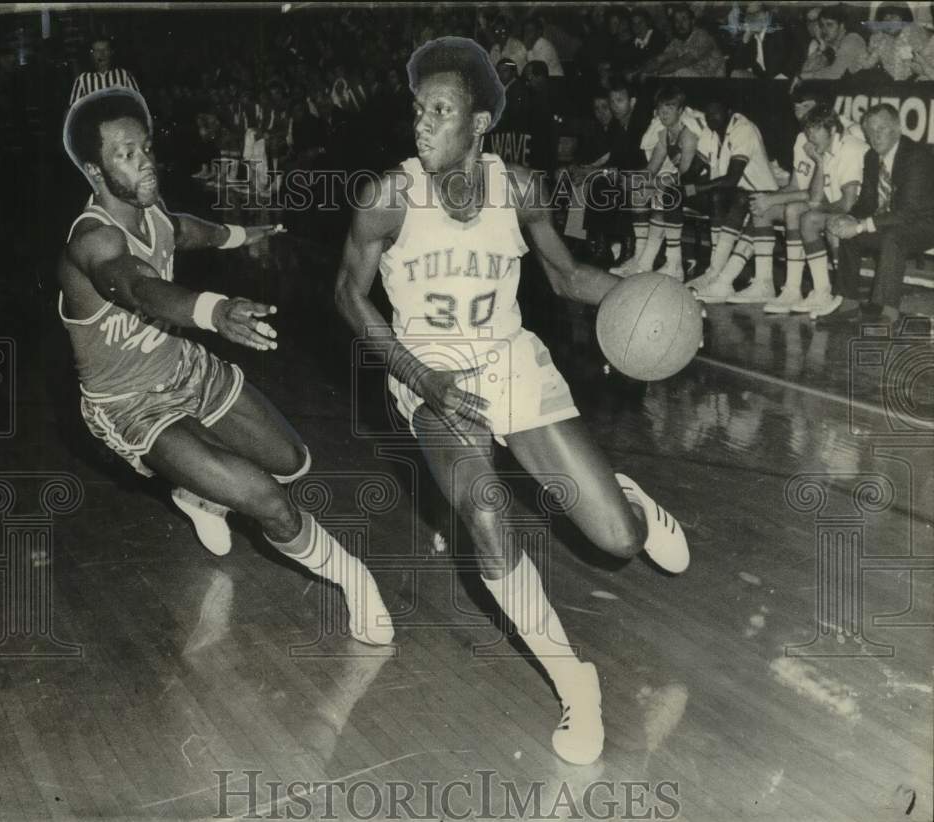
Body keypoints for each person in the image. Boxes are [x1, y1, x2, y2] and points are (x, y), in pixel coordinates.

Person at [334, 36, 689, 767]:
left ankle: (627, 502)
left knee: (618, 541)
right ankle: (574, 682)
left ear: (480, 124)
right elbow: (346, 293)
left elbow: (564, 278)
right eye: (418, 110)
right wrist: (418, 376)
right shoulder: (389, 197)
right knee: (486, 516)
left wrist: (652, 302)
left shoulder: (520, 188)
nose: (422, 124)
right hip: (430, 375)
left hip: (511, 360)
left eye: (441, 111)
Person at [59, 88, 394, 646]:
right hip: (131, 406)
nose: (143, 160)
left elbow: (188, 228)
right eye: (124, 153)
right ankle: (356, 581)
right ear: (94, 170)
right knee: (266, 499)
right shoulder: (92, 241)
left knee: (292, 461)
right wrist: (215, 310)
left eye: (144, 147)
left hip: (186, 367)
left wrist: (243, 234)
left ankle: (196, 493)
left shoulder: (153, 212)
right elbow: (138, 288)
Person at [748, 89, 865, 315]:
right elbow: (803, 189)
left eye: (806, 106)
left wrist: (774, 198)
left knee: (802, 214)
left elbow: (842, 201)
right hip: (831, 201)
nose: (800, 113)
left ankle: (833, 292)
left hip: (856, 207)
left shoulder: (849, 139)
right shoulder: (806, 138)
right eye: (796, 107)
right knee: (770, 208)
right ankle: (782, 286)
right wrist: (770, 198)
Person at [824, 103, 934, 326]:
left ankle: (888, 311)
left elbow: (907, 213)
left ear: (897, 128)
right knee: (849, 233)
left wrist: (861, 225)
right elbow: (866, 201)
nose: (875, 135)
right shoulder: (872, 157)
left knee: (893, 237)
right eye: (870, 130)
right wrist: (849, 219)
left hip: (925, 223)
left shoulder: (917, 156)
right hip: (893, 221)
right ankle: (848, 302)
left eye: (881, 128)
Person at [614, 85, 714, 279]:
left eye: (670, 107)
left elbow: (686, 176)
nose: (664, 112)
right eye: (661, 107)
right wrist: (631, 179)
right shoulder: (663, 134)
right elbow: (651, 169)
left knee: (664, 192)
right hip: (683, 186)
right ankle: (640, 256)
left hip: (701, 187)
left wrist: (659, 182)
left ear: (680, 111)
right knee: (638, 191)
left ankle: (668, 262)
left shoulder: (688, 135)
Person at [687, 101, 779, 303]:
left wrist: (692, 189)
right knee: (716, 196)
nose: (712, 118)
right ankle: (714, 271)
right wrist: (678, 186)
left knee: (737, 196)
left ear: (728, 111)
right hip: (736, 193)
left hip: (761, 193)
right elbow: (694, 169)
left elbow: (731, 179)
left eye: (716, 113)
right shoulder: (710, 132)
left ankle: (723, 279)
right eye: (708, 114)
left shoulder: (743, 129)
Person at [635, 6, 726, 78]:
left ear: (692, 21)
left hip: (712, 81)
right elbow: (660, 59)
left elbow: (683, 62)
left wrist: (656, 74)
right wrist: (640, 71)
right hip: (690, 79)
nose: (680, 24)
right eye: (676, 21)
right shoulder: (677, 41)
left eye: (684, 19)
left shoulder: (703, 36)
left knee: (678, 72)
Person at [69, 35, 141, 106]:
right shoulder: (82, 79)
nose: (101, 54)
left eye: (105, 49)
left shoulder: (125, 75)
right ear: (92, 54)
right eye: (97, 51)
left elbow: (138, 102)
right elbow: (74, 109)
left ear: (111, 52)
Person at [799, 5, 867, 79]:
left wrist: (805, 76)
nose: (824, 30)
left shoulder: (852, 39)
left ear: (841, 26)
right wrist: (822, 46)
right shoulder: (832, 43)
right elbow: (805, 70)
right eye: (822, 25)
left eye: (829, 25)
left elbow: (835, 73)